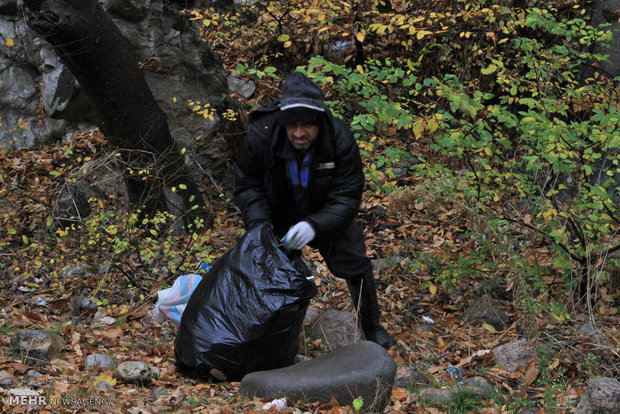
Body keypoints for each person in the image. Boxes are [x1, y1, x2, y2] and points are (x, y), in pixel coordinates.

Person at [233, 71, 396, 348]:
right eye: (291, 125)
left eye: (306, 125)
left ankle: (372, 327)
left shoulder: (339, 139)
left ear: (319, 121)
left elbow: (347, 194)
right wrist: (260, 227)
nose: (299, 133)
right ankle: (268, 334)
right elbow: (248, 185)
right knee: (265, 263)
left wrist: (314, 225)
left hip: (325, 211)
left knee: (354, 261)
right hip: (277, 210)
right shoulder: (262, 135)